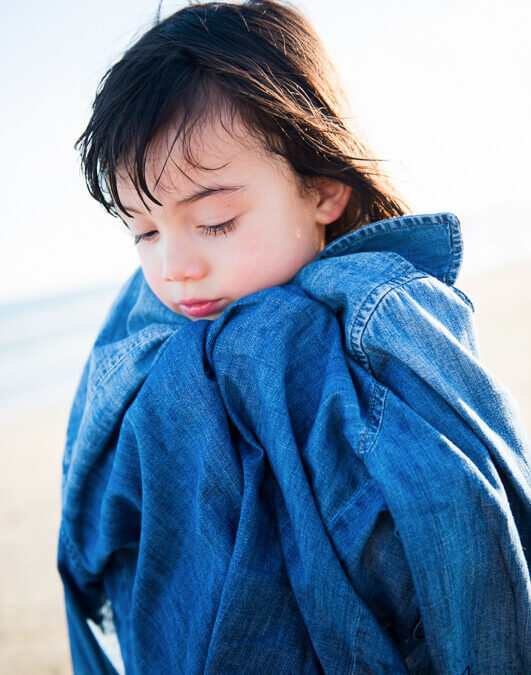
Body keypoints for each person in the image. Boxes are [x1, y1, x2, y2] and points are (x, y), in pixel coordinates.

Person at [57, 1, 531, 673]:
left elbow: (471, 524)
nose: (174, 266)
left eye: (215, 221)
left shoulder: (386, 324)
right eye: (144, 231)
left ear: (323, 190)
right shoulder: (146, 342)